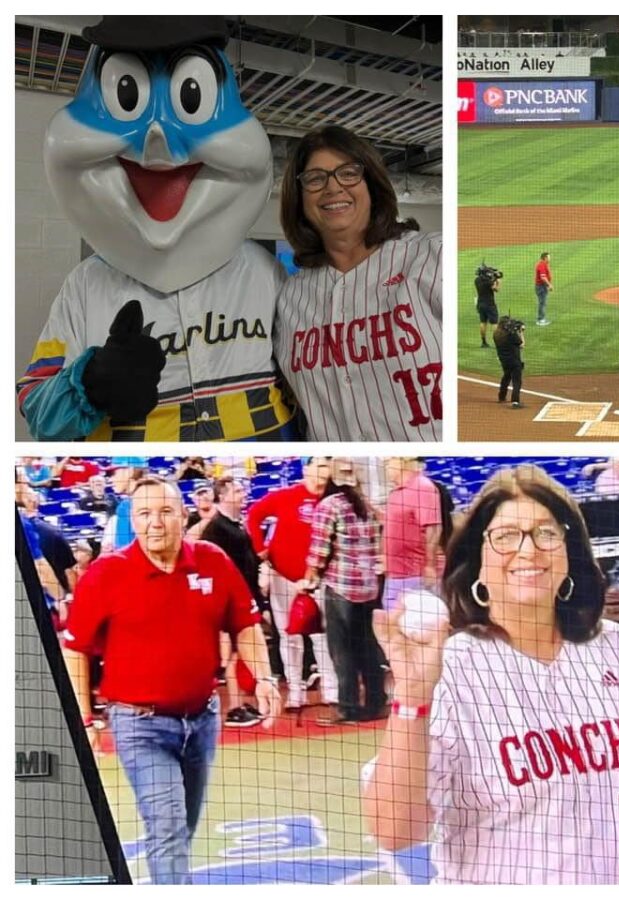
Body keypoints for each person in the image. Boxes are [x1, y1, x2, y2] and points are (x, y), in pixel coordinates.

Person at [362, 465, 619, 883]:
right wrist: (411, 697)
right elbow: (394, 830)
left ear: (569, 552)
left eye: (546, 533)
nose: (528, 550)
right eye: (505, 536)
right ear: (477, 562)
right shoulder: (452, 665)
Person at [17, 16, 296, 441]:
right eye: (126, 94)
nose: (158, 140)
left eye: (190, 95)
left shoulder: (263, 272)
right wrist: (90, 382)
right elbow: (37, 408)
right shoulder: (86, 286)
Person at [61, 476, 280, 883]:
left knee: (180, 829)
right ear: (133, 520)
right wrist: (85, 720)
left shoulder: (212, 559)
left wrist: (265, 678)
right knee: (168, 826)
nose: (155, 523)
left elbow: (246, 624)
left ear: (184, 515)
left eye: (165, 511)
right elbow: (74, 650)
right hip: (139, 725)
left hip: (201, 720)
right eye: (144, 514)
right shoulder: (108, 573)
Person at [274, 125, 442, 440]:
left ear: (372, 185)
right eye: (315, 178)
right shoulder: (289, 298)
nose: (332, 187)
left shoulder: (433, 256)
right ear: (299, 199)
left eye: (348, 173)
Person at [247, 458, 331, 709]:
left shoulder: (331, 499)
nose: (321, 475)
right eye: (318, 468)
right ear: (306, 470)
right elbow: (253, 516)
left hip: (318, 577)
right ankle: (296, 691)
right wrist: (260, 548)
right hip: (283, 576)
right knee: (288, 635)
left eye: (326, 469)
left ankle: (330, 689)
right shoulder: (285, 495)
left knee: (322, 635)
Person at [305, 462, 385, 724]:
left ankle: (348, 707)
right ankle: (375, 702)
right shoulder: (368, 507)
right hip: (369, 587)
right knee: (368, 648)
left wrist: (309, 578)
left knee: (342, 651)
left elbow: (319, 552)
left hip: (341, 587)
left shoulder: (328, 506)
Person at [188, 476, 270, 727]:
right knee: (234, 654)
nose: (243, 493)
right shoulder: (216, 528)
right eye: (236, 490)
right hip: (227, 601)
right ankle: (234, 707)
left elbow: (245, 563)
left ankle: (241, 704)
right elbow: (212, 567)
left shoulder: (236, 524)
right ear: (222, 496)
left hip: (246, 597)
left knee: (241, 652)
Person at [383, 458, 443, 611]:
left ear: (403, 460)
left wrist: (430, 565)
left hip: (415, 576)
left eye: (389, 460)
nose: (385, 463)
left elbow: (433, 527)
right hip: (394, 576)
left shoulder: (422, 487)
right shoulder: (395, 493)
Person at [492, 315, 526, 409]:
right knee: (516, 381)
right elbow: (522, 344)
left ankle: (501, 396)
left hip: (504, 361)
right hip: (514, 361)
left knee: (506, 377)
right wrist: (521, 332)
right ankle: (515, 402)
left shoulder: (496, 334)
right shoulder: (511, 335)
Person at [474, 263, 502, 348]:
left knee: (483, 322)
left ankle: (483, 342)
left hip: (480, 304)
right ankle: (498, 343)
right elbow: (496, 289)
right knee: (494, 323)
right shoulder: (489, 282)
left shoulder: (477, 280)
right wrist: (498, 281)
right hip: (489, 304)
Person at [534, 251, 553, 325]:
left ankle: (541, 318)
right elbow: (543, 277)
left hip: (542, 286)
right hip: (541, 287)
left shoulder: (544, 264)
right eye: (549, 257)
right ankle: (540, 320)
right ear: (545, 258)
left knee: (542, 303)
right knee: (542, 303)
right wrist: (549, 285)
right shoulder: (542, 265)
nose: (550, 259)